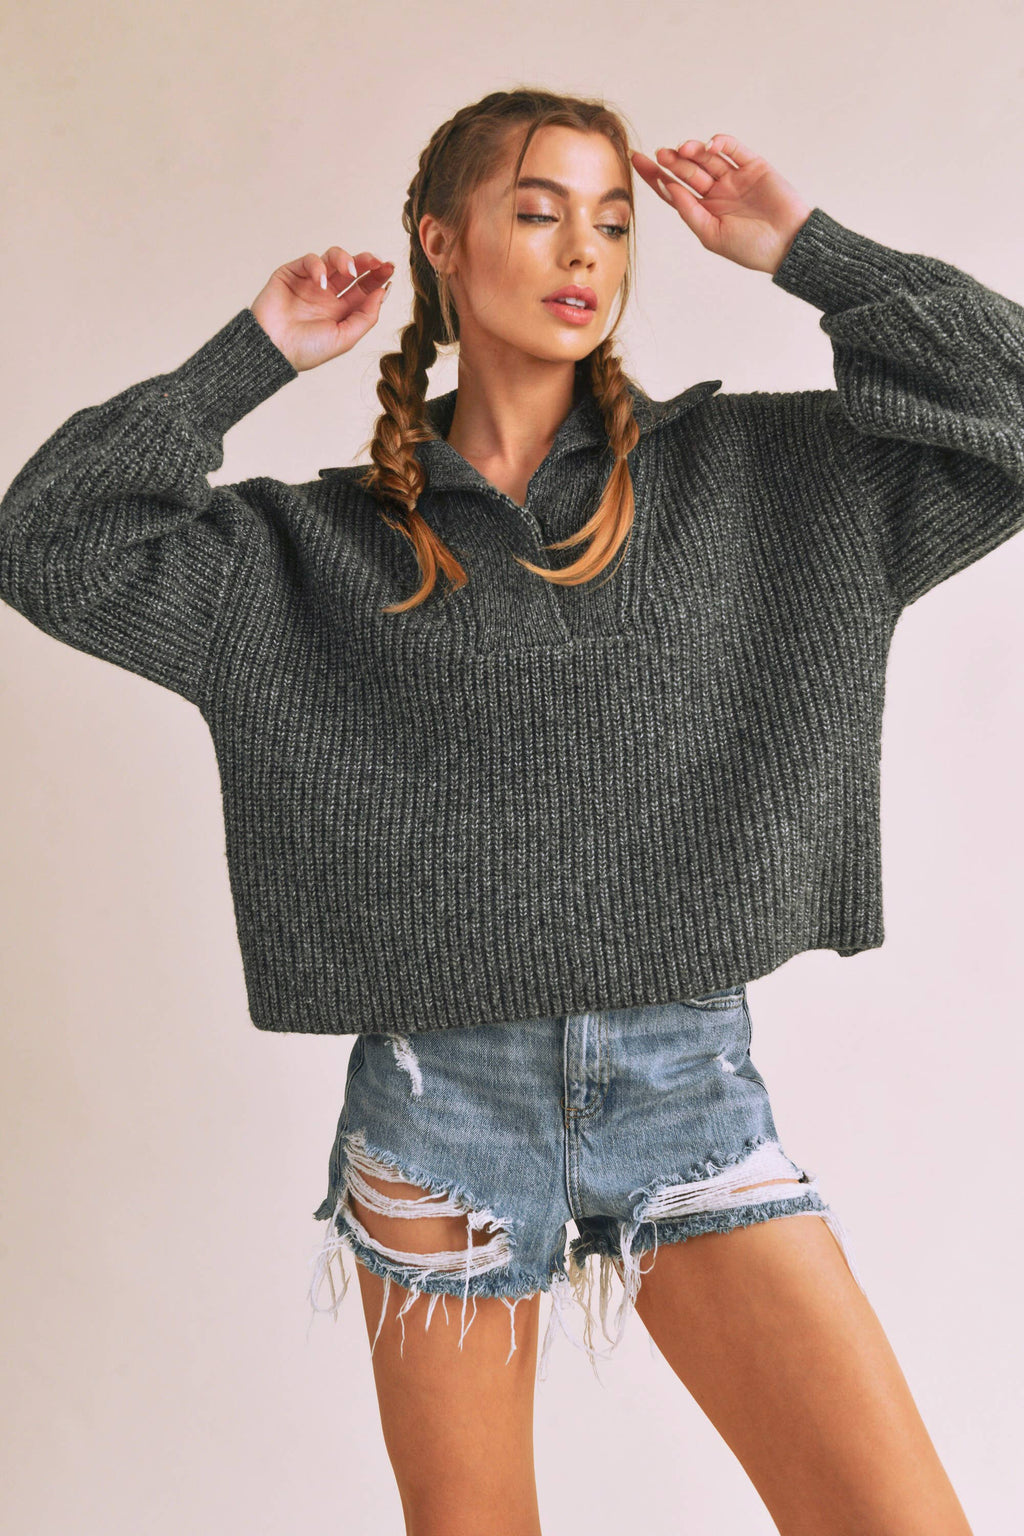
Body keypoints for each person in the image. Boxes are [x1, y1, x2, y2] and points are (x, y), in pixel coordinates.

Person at [4, 85, 1015, 1535]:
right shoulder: (311, 551)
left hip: (685, 1087)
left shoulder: (762, 481)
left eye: (613, 220)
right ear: (442, 243)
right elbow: (48, 541)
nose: (584, 250)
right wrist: (253, 352)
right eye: (537, 212)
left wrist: (808, 249)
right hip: (438, 1111)